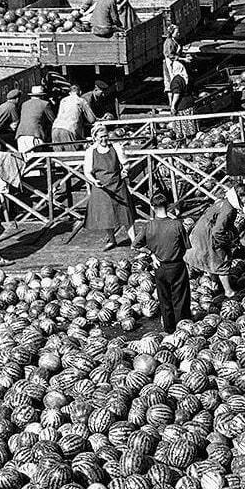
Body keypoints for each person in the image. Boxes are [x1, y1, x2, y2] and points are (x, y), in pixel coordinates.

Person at [133, 192, 192, 333]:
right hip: (177, 266)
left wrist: (151, 254)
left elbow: (135, 245)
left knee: (165, 300)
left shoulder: (149, 226)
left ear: (152, 207)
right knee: (181, 300)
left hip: (159, 267)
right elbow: (186, 247)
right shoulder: (177, 225)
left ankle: (169, 329)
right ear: (168, 206)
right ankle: (182, 330)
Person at [186, 183, 245, 298]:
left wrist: (235, 236)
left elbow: (227, 225)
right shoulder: (228, 210)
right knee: (222, 259)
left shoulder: (225, 202)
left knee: (211, 257)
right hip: (208, 233)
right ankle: (228, 291)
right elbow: (218, 231)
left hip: (202, 230)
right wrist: (227, 243)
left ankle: (215, 284)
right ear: (241, 196)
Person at [83, 123, 136, 251]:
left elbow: (126, 164)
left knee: (126, 214)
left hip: (117, 184)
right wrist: (94, 181)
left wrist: (125, 172)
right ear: (95, 137)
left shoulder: (116, 147)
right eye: (100, 137)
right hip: (101, 187)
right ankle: (112, 240)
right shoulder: (91, 151)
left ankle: (134, 241)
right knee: (106, 216)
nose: (104, 139)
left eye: (105, 136)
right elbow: (87, 172)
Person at [52, 85, 96, 149]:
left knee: (58, 157)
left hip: (55, 128)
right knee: (72, 156)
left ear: (69, 93)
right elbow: (92, 119)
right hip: (69, 129)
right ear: (80, 92)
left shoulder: (63, 100)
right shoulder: (81, 101)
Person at [15, 85, 54, 154]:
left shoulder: (24, 104)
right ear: (42, 96)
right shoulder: (45, 104)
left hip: (21, 134)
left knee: (25, 161)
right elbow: (52, 120)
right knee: (39, 160)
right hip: (35, 135)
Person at [163, 25, 187, 108]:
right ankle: (171, 104)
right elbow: (169, 55)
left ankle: (175, 102)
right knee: (171, 82)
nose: (179, 33)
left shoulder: (175, 40)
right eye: (177, 32)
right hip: (170, 63)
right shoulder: (169, 42)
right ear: (171, 33)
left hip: (176, 62)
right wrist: (183, 59)